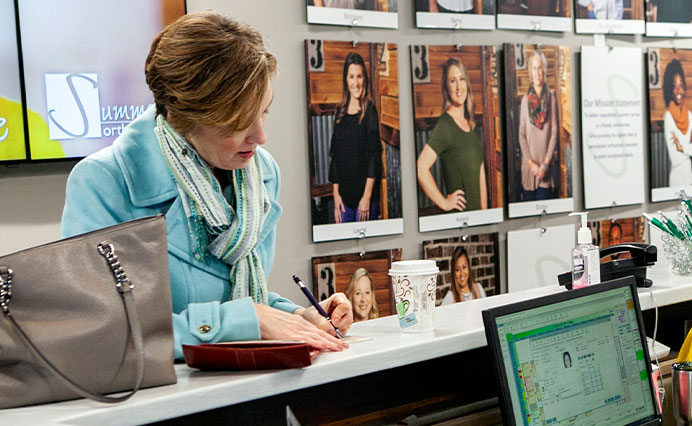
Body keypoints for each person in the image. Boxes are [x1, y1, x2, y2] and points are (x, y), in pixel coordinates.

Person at [61, 11, 351, 360]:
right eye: (239, 122)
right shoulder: (105, 183)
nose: (261, 137)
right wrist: (245, 321)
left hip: (249, 386)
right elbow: (101, 333)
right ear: (186, 116)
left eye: (264, 112)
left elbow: (237, 297)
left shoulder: (261, 174)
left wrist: (297, 316)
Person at [417, 58, 488, 213]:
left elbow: (480, 173)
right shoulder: (445, 125)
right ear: (446, 87)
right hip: (460, 222)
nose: (458, 87)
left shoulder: (470, 124)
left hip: (478, 221)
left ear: (467, 83)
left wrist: (485, 216)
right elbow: (421, 167)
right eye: (452, 81)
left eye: (461, 79)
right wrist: (444, 203)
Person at [328, 52, 381, 224]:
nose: (356, 83)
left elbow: (374, 157)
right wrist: (335, 196)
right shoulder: (340, 112)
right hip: (343, 200)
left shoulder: (370, 111)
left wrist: (366, 198)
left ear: (364, 78)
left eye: (359, 76)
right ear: (346, 79)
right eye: (351, 77)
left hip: (363, 201)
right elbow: (335, 157)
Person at [518, 49, 558, 202]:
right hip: (529, 169)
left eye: (540, 68)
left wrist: (545, 164)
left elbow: (554, 133)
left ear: (544, 70)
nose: (537, 72)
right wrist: (531, 164)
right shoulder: (524, 100)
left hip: (545, 170)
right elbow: (521, 135)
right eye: (534, 68)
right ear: (530, 71)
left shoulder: (551, 98)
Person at [661, 59, 692, 189]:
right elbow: (675, 158)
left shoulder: (688, 115)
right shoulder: (668, 117)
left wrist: (682, 148)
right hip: (676, 181)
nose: (678, 91)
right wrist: (689, 146)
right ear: (670, 89)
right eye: (674, 86)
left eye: (681, 85)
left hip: (690, 178)